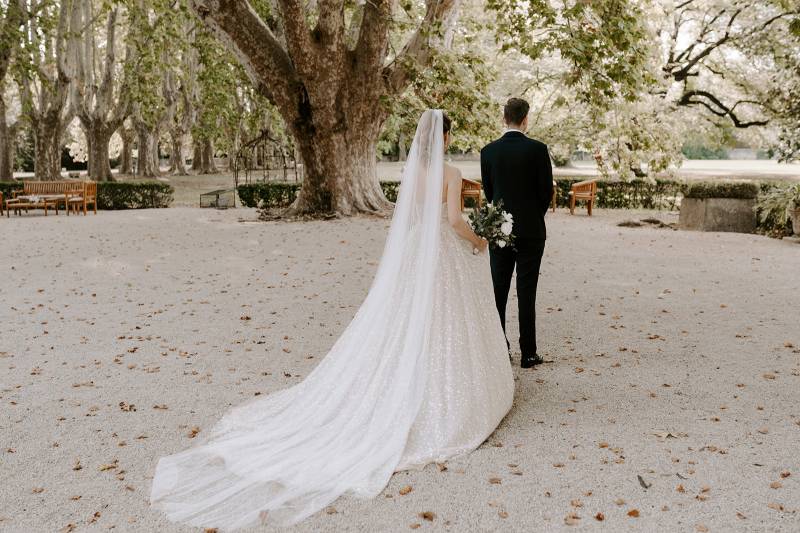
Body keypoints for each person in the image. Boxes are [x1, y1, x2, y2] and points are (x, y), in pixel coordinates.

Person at [150, 110, 514, 529]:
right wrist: (479, 240)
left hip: (415, 252)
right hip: (442, 253)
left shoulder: (412, 172)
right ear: (445, 138)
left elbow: (412, 218)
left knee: (403, 321)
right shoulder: (451, 173)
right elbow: (452, 220)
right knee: (445, 321)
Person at [480, 97, 554, 368]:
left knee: (498, 291)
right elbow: (546, 191)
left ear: (504, 118)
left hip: (500, 229)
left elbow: (490, 193)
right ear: (525, 120)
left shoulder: (488, 151)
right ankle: (528, 353)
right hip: (532, 231)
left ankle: (500, 349)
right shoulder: (538, 150)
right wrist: (533, 215)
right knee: (527, 291)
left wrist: (504, 217)